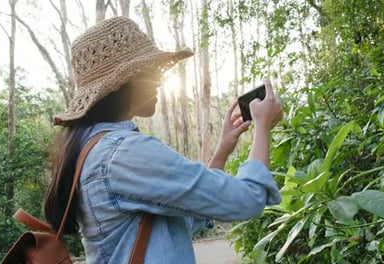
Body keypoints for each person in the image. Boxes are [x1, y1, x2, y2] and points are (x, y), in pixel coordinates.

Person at [45, 16, 283, 263]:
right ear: (122, 83)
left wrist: (222, 149)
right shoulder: (124, 153)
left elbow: (180, 224)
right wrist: (262, 128)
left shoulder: (96, 151)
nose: (159, 80)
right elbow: (247, 200)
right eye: (150, 71)